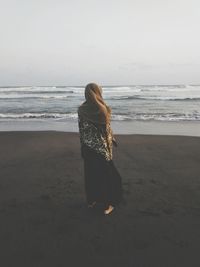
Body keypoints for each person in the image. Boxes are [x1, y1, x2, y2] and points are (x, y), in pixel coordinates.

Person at [77, 82, 123, 215]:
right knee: (111, 177)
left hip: (87, 147)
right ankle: (110, 203)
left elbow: (81, 130)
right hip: (101, 150)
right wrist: (112, 141)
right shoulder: (102, 109)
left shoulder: (81, 109)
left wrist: (82, 146)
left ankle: (92, 200)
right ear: (97, 92)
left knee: (91, 176)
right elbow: (107, 131)